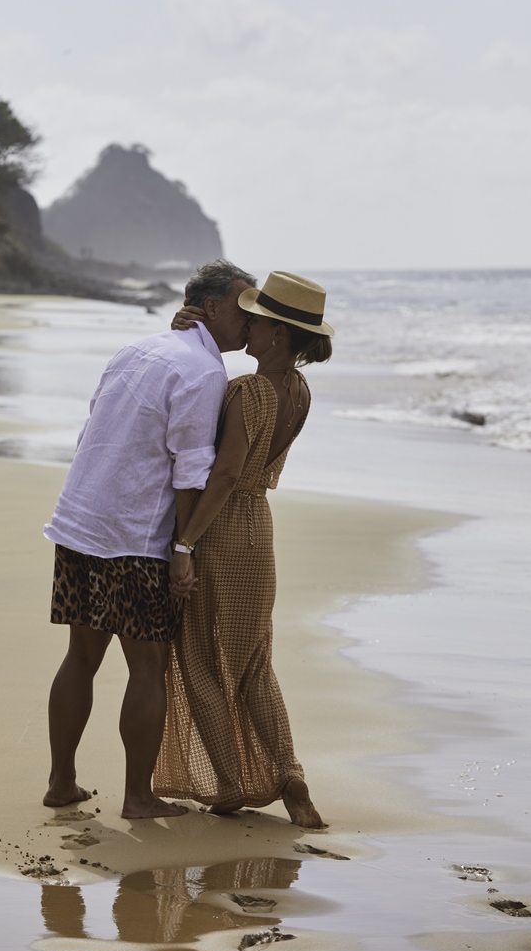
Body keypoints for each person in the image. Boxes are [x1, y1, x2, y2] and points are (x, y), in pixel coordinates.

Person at [42, 259, 256, 819]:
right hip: (134, 536)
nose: (250, 319)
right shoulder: (205, 374)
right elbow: (191, 471)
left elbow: (95, 423)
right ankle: (138, 798)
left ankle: (61, 782)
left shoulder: (136, 350)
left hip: (81, 520)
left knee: (80, 658)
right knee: (147, 666)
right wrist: (183, 549)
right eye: (243, 306)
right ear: (210, 309)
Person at [153, 271, 334, 828]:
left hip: (223, 528)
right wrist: (187, 328)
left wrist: (185, 542)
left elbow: (226, 473)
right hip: (260, 531)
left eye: (255, 319)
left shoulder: (250, 390)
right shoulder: (298, 390)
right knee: (255, 665)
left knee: (201, 660)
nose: (246, 325)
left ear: (277, 333)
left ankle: (229, 781)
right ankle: (289, 775)